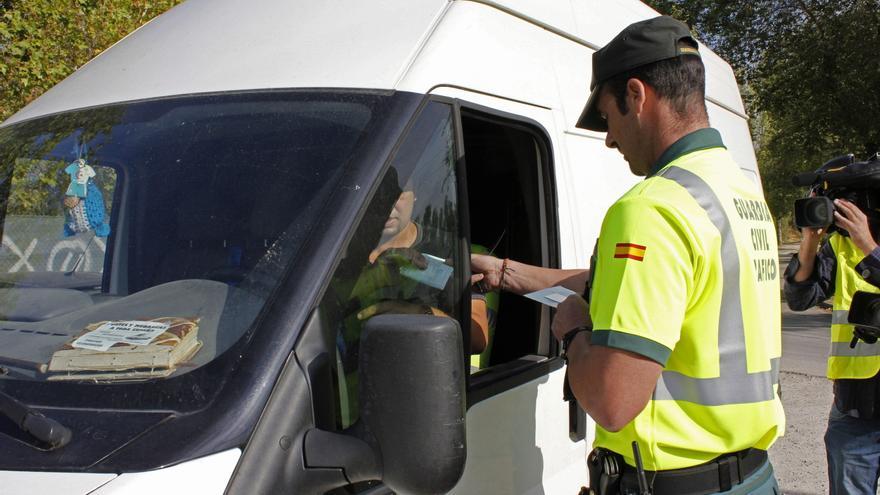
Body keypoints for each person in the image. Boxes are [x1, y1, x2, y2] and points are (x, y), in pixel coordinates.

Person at [472, 15, 784, 494]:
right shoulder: (735, 193)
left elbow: (612, 401)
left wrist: (574, 329)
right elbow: (640, 289)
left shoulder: (650, 207)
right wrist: (505, 272)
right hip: (751, 478)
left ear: (637, 95)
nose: (610, 138)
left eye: (608, 116)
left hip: (676, 483)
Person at [784, 197, 880, 495]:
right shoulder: (841, 244)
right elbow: (800, 299)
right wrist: (811, 240)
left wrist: (869, 248)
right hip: (856, 407)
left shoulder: (860, 241)